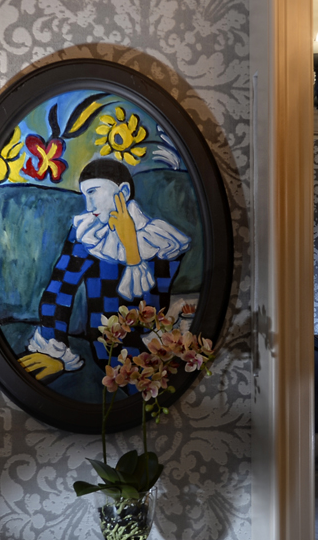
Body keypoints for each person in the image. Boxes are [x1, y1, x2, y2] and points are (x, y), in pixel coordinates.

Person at [19, 159, 191, 380]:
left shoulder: (161, 240)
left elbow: (153, 308)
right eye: (84, 195)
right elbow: (59, 291)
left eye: (93, 192)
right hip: (106, 346)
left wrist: (132, 250)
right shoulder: (87, 234)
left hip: (153, 344)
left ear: (123, 192)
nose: (89, 205)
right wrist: (53, 350)